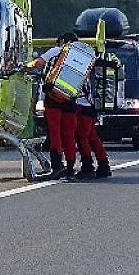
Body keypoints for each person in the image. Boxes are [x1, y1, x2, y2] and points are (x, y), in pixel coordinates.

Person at [25, 32, 81, 179]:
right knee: (69, 135)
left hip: (53, 98)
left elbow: (38, 63)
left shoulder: (57, 51)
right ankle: (70, 168)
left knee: (54, 133)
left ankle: (57, 166)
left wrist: (25, 68)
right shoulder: (80, 58)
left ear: (62, 41)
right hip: (71, 99)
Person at [74, 61, 111, 179]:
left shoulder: (78, 70)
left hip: (83, 106)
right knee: (92, 136)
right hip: (91, 106)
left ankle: (87, 166)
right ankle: (103, 164)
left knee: (82, 137)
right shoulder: (89, 68)